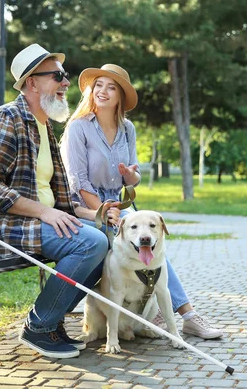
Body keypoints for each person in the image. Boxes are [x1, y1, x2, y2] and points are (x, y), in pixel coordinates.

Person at [0, 44, 117, 359]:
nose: (66, 83)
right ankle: (40, 326)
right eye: (58, 76)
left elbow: (61, 202)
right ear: (32, 82)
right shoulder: (8, 118)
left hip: (34, 220)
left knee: (108, 236)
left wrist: (98, 214)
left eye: (65, 76)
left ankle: (51, 318)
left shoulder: (44, 125)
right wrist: (44, 212)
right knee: (89, 244)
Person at [60, 64, 223, 339]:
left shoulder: (127, 129)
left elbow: (132, 180)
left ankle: (182, 315)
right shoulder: (78, 128)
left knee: (153, 245)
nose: (103, 91)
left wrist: (130, 176)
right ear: (90, 90)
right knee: (132, 245)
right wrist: (105, 211)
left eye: (111, 87)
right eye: (98, 85)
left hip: (120, 208)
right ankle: (175, 312)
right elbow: (78, 183)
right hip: (86, 210)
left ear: (120, 96)